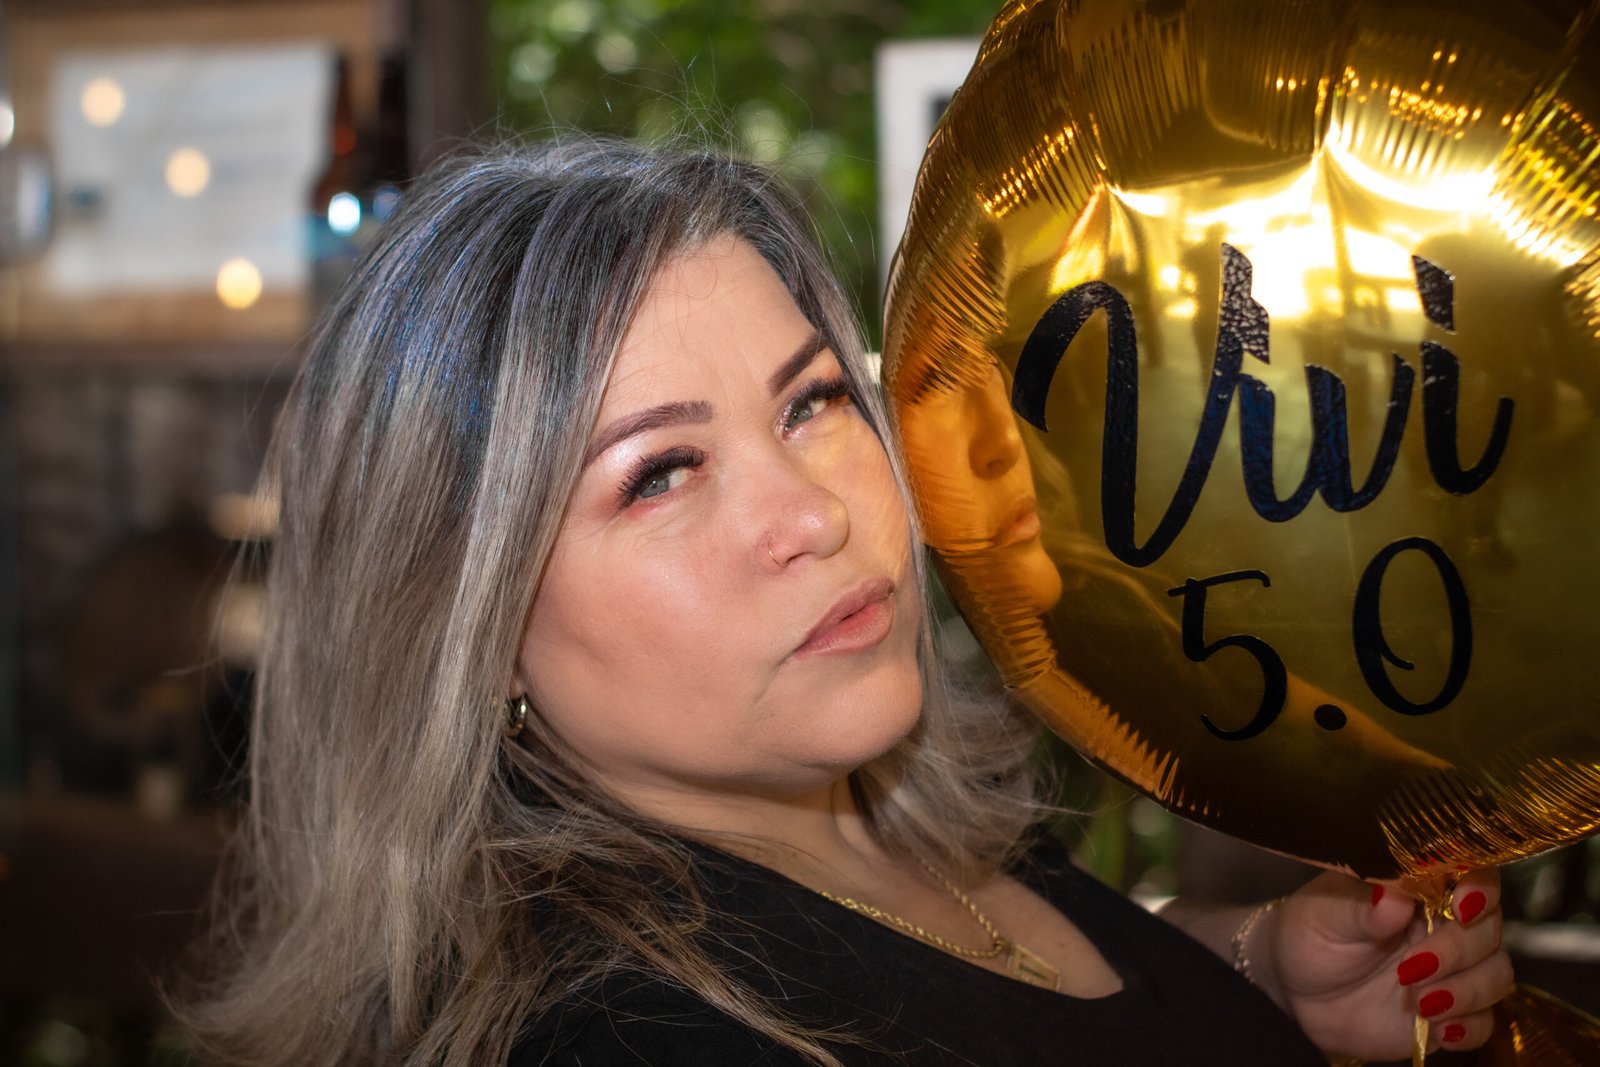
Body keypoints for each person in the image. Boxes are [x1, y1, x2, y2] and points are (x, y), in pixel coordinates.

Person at [180, 138, 1511, 1066]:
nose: (814, 512)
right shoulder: (630, 1042)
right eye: (659, 474)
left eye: (811, 401)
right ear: (467, 628)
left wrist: (1251, 974)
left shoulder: (871, 821)